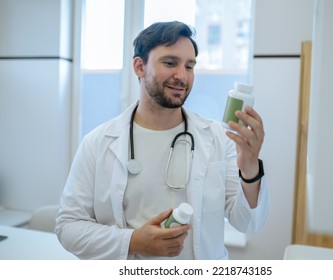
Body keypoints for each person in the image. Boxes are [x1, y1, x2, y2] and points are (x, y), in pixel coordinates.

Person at [55, 21, 269, 260]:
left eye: (189, 66)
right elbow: (68, 226)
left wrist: (250, 166)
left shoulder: (219, 139)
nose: (182, 76)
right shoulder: (97, 143)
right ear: (139, 66)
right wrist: (133, 241)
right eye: (170, 63)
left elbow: (248, 223)